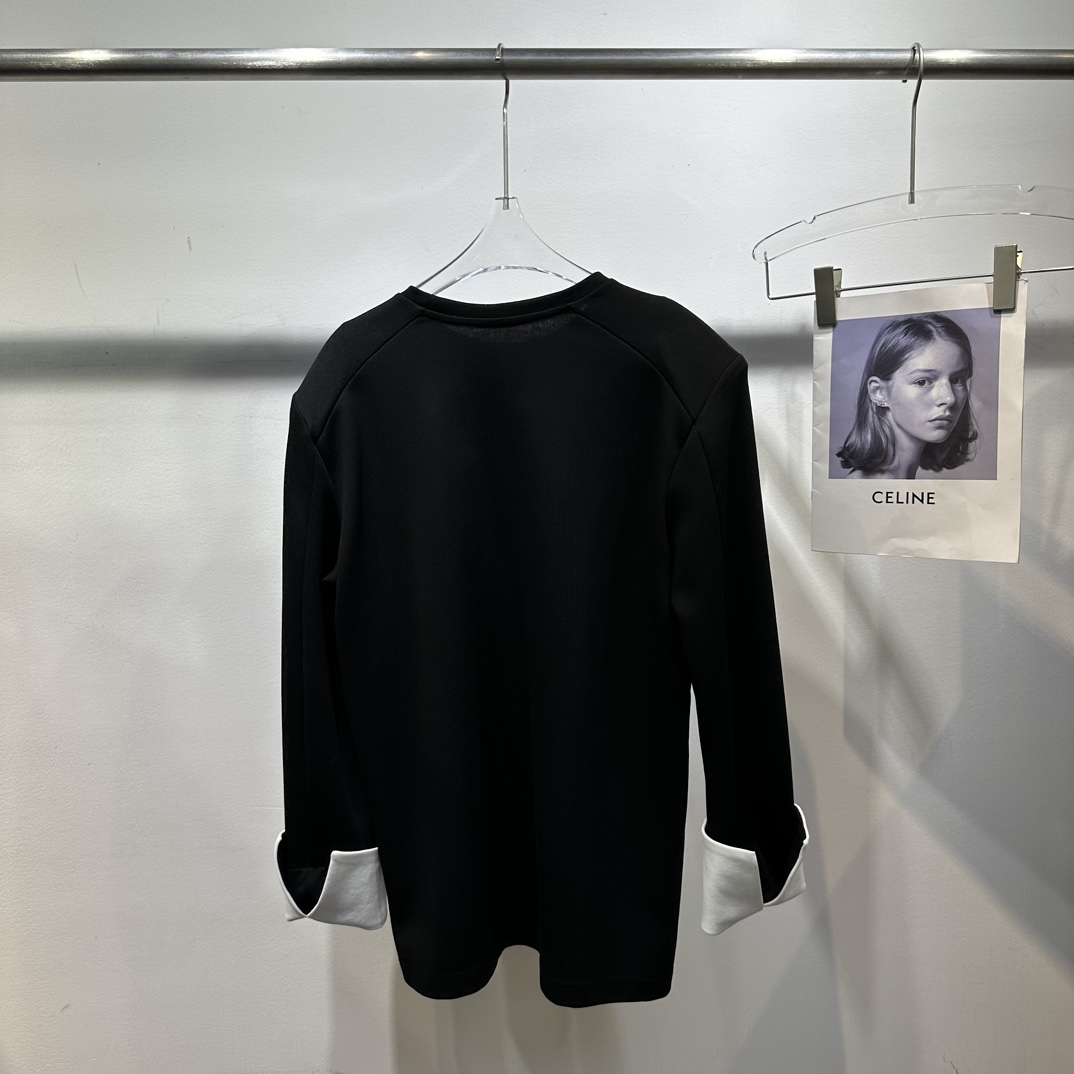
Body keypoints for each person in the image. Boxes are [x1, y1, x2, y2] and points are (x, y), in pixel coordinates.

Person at [836, 311, 979, 480]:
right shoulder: (867, 487)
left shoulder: (897, 480)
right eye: (922, 382)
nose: (949, 398)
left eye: (957, 380)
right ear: (879, 392)